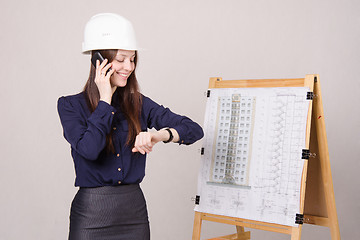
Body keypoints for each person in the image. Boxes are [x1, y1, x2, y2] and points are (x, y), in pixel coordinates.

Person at [57, 13, 204, 240]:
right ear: (99, 61)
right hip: (91, 214)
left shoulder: (138, 103)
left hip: (133, 213)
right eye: (121, 59)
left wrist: (159, 136)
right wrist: (105, 100)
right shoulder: (70, 105)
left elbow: (193, 129)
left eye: (133, 59)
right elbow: (89, 149)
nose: (129, 67)